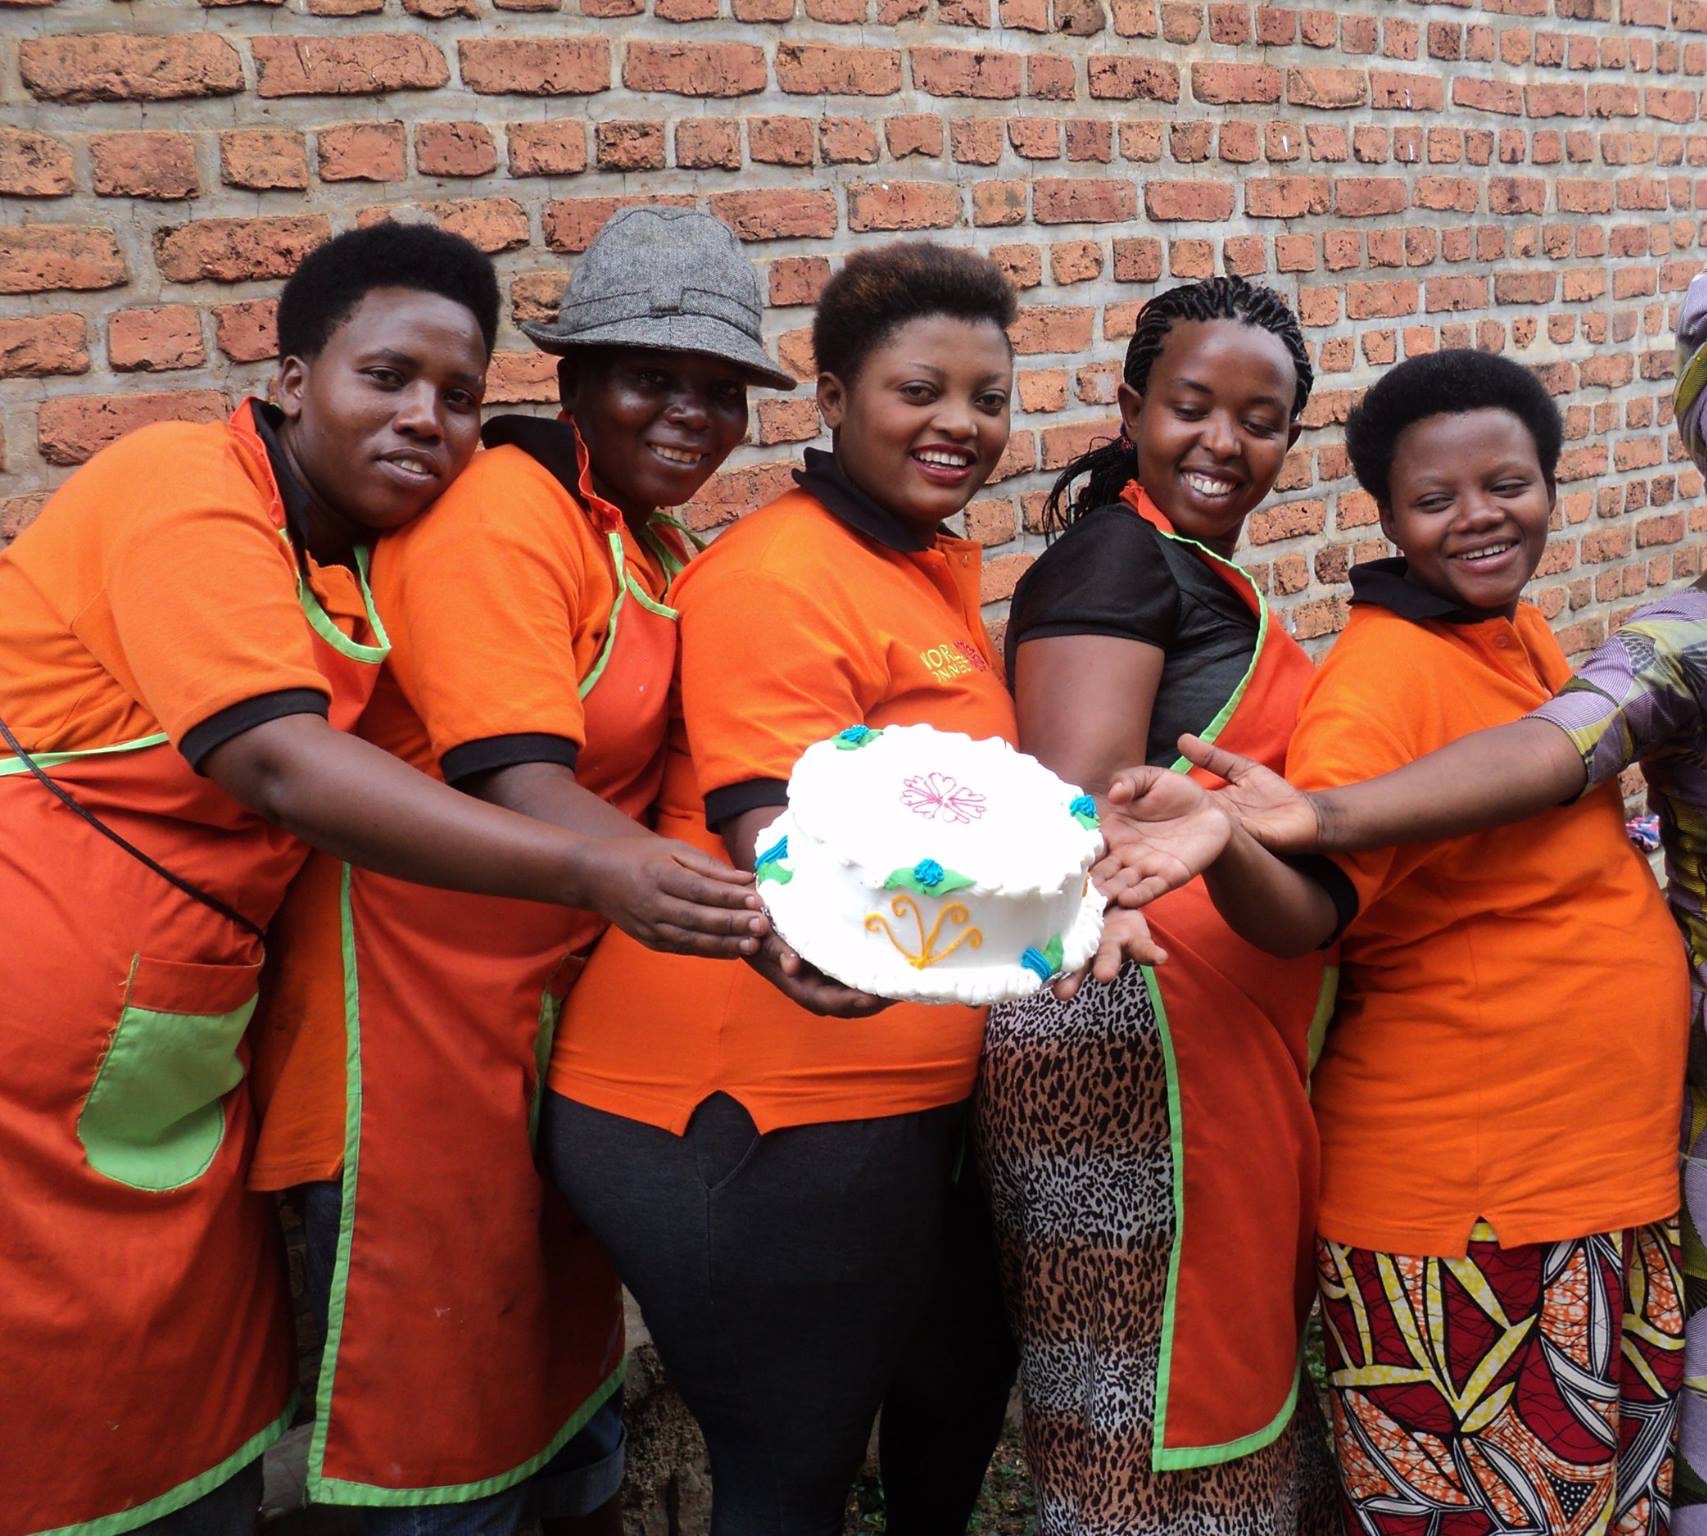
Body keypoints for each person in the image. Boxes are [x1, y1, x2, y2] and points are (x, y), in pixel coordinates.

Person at [1095, 227, 1707, 1534]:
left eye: (1507, 484)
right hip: (1484, 1209)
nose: (1478, 517)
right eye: (1435, 499)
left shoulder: (1515, 632)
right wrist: (1261, 832)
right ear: (1384, 515)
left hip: (1607, 1184)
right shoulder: (1403, 679)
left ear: (1552, 488)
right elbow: (1431, 833)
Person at [0, 223, 762, 1536]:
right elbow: (279, 763)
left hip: (171, 1024)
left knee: (178, 1416)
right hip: (45, 1019)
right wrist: (599, 867)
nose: (427, 419)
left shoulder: (355, 548)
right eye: (387, 377)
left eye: (458, 397)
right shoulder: (180, 485)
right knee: (58, 1414)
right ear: (291, 377)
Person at [539, 242, 1125, 1535]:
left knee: (936, 1396)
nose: (959, 423)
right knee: (788, 1483)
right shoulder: (780, 575)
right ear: (832, 400)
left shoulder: (909, 565)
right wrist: (817, 933)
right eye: (919, 390)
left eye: (986, 397)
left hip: (879, 1099)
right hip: (749, 1106)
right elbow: (777, 828)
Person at [245, 208, 789, 1533]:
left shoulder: (641, 539)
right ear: (576, 376)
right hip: (413, 1037)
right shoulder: (505, 514)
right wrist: (759, 922)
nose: (692, 415)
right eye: (651, 376)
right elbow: (517, 778)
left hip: (534, 1030)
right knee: (436, 1431)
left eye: (721, 390)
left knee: (547, 1399)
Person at [975, 277, 1345, 1535]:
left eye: (1259, 420)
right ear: (1132, 409)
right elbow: (1079, 802)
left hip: (1199, 1031)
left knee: (1190, 1381)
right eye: (1191, 407)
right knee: (1139, 1408)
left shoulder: (1181, 567)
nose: (1221, 443)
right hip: (1126, 1031)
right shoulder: (1114, 556)